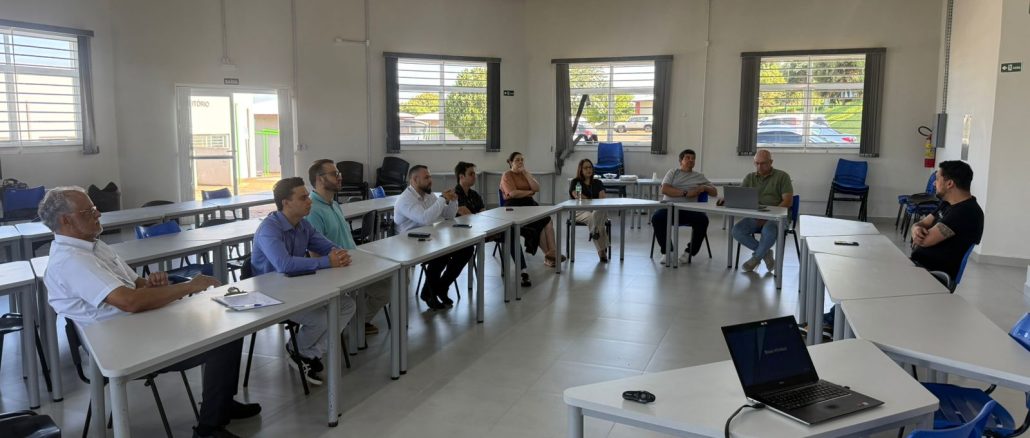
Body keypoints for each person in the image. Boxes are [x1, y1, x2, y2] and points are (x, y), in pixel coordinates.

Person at [39, 187, 260, 438]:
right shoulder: (71, 261)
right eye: (88, 211)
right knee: (220, 341)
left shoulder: (95, 245)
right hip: (121, 345)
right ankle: (208, 430)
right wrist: (188, 286)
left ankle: (222, 404)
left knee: (229, 326)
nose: (98, 213)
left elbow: (137, 285)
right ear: (66, 221)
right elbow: (129, 302)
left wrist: (153, 286)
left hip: (140, 325)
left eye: (94, 208)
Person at [252, 177, 357, 386]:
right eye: (303, 198)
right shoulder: (269, 229)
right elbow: (284, 264)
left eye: (308, 196)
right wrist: (327, 262)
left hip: (298, 287)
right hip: (272, 296)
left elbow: (328, 246)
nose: (309, 201)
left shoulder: (303, 225)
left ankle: (305, 352)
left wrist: (338, 254)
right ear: (286, 203)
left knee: (347, 305)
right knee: (321, 319)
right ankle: (299, 351)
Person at [305, 159, 391, 335]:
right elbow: (315, 255)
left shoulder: (334, 204)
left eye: (339, 173)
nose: (340, 177)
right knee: (388, 287)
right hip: (338, 270)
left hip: (353, 261)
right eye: (334, 174)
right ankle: (355, 323)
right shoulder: (313, 211)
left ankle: (356, 321)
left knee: (394, 278)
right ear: (320, 179)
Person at [394, 165, 474, 310]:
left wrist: (453, 201)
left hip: (428, 238)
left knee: (466, 249)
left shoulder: (428, 195)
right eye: (426, 177)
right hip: (408, 244)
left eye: (430, 176)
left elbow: (448, 215)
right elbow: (425, 219)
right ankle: (429, 292)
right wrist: (442, 199)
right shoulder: (405, 199)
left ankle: (441, 287)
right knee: (440, 254)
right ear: (414, 180)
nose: (430, 180)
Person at [454, 161, 532, 287]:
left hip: (482, 229)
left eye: (474, 173)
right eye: (471, 174)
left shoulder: (474, 194)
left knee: (511, 233)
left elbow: (483, 214)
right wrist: (479, 216)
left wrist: (481, 217)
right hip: (465, 234)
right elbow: (467, 216)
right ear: (461, 177)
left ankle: (523, 271)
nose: (475, 176)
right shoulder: (455, 195)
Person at [910, 160, 984, 282]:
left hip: (933, 276)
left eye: (937, 179)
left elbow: (924, 241)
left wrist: (916, 233)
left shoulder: (966, 212)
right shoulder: (947, 203)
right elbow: (922, 223)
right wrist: (916, 229)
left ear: (949, 183)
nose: (934, 183)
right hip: (920, 268)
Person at [729, 149, 793, 273]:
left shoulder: (782, 176)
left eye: (763, 163)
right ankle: (766, 253)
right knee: (737, 231)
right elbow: (740, 195)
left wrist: (769, 217)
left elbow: (788, 201)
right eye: (757, 163)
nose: (759, 166)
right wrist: (727, 199)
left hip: (777, 217)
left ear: (771, 162)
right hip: (755, 216)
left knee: (768, 230)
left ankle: (755, 258)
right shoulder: (750, 177)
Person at [650, 149, 718, 264]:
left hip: (689, 209)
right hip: (670, 207)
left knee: (703, 220)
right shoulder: (673, 172)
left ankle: (689, 253)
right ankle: (667, 251)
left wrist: (704, 188)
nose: (691, 160)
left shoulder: (699, 176)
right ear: (681, 160)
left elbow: (714, 192)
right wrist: (686, 193)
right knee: (657, 218)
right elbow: (665, 189)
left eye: (693, 158)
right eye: (687, 158)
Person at [500, 151, 564, 267]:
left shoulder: (525, 174)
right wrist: (529, 192)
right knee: (538, 227)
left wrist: (526, 174)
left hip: (529, 204)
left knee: (547, 221)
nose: (520, 162)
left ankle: (552, 253)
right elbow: (513, 193)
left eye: (522, 160)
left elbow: (537, 188)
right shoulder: (507, 175)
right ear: (510, 162)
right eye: (517, 160)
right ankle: (549, 257)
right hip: (514, 207)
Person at [568, 158, 611, 262]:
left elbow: (602, 199)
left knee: (597, 214)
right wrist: (592, 202)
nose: (588, 170)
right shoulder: (575, 182)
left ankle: (595, 232)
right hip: (580, 211)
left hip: (597, 211)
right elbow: (577, 196)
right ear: (580, 170)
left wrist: (590, 202)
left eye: (590, 167)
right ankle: (602, 250)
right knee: (594, 218)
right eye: (585, 168)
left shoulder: (598, 182)